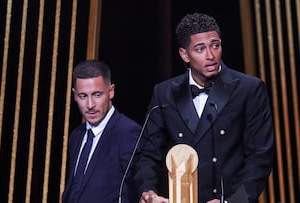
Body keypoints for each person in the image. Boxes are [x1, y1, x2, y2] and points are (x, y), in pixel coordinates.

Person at [133, 13, 274, 203]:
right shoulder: (164, 93)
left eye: (215, 45)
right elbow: (148, 154)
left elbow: (260, 158)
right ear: (184, 54)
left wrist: (231, 202)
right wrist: (147, 190)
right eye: (200, 49)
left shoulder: (249, 89)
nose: (210, 55)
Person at [62, 60, 141, 203]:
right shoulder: (76, 136)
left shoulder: (127, 133)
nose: (90, 105)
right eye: (83, 96)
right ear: (74, 95)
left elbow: (134, 191)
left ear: (111, 92)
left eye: (97, 95)